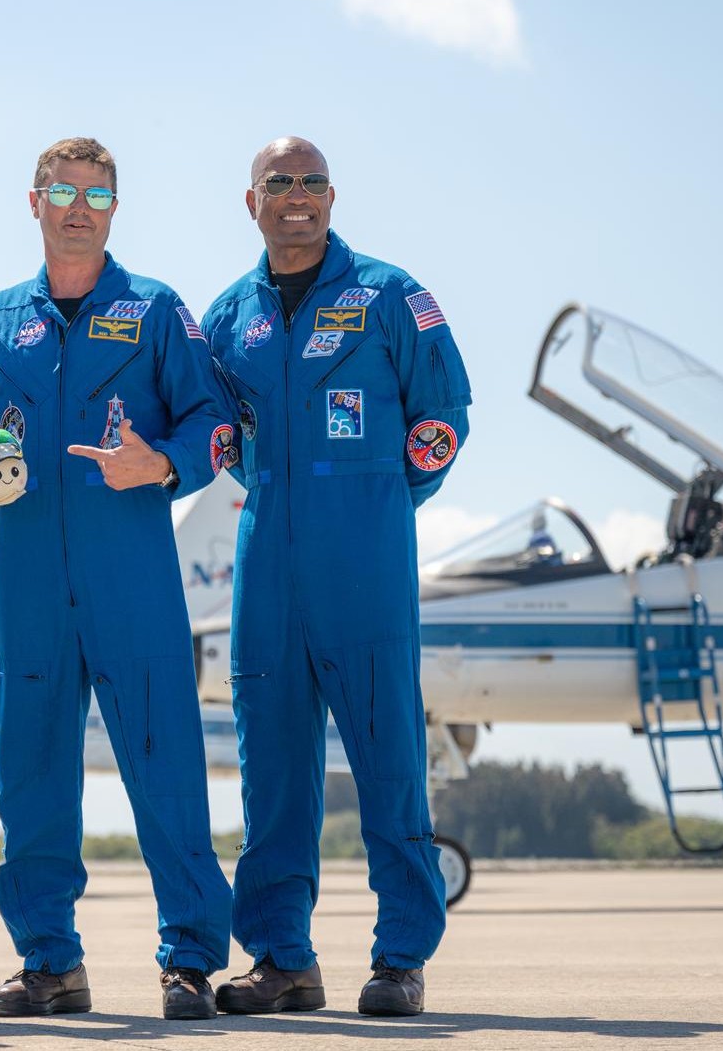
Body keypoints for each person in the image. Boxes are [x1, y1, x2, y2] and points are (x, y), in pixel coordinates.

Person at [0, 137, 234, 1021]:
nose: (78, 207)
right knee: (28, 770)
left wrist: (159, 465)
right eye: (62, 191)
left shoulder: (155, 311)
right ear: (33, 202)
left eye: (96, 195)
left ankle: (189, 958)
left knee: (165, 763)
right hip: (26, 576)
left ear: (115, 208)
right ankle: (48, 962)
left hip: (133, 575)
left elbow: (216, 422)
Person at [202, 137, 472, 1017]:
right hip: (265, 558)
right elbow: (221, 439)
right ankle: (282, 959)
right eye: (279, 183)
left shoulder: (394, 296)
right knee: (271, 770)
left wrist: (382, 501)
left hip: (365, 558)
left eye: (313, 182)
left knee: (389, 760)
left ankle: (401, 959)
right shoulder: (226, 316)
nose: (297, 196)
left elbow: (444, 418)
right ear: (252, 202)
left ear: (332, 197)